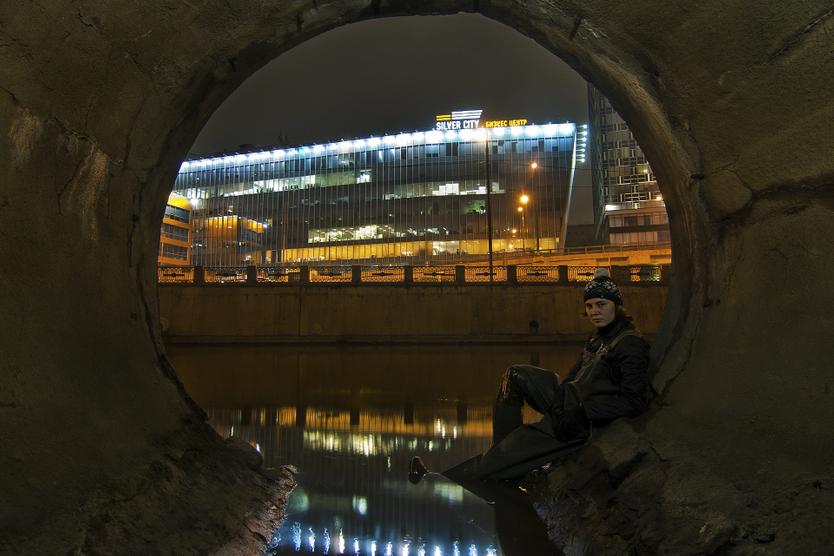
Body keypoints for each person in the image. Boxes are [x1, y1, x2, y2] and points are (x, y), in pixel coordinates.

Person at [409, 268, 651, 487]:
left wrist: (581, 412)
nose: (594, 312)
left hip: (581, 422)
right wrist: (560, 398)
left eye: (601, 305)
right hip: (569, 401)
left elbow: (634, 402)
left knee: (510, 452)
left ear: (616, 306)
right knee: (514, 375)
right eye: (589, 306)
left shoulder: (630, 344)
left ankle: (439, 477)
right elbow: (573, 374)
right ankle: (502, 452)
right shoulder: (599, 336)